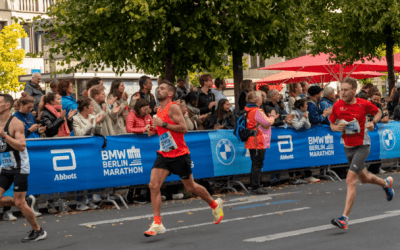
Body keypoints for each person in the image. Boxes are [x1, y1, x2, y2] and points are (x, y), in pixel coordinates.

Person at [143, 80, 223, 237]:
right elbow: (164, 130)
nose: (158, 90)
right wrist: (153, 129)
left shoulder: (173, 107)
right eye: (158, 88)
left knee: (191, 187)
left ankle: (214, 204)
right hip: (164, 154)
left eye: (162, 88)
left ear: (170, 93)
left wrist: (163, 124)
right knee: (153, 185)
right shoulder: (159, 109)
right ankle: (157, 223)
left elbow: (183, 128)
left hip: (179, 154)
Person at [329, 77, 394, 230]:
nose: (342, 93)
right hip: (348, 146)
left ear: (354, 91)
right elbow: (331, 123)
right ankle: (386, 184)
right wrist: (336, 128)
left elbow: (378, 112)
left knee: (350, 178)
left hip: (362, 145)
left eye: (345, 90)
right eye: (341, 90)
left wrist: (373, 122)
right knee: (364, 178)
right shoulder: (337, 106)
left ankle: (344, 218)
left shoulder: (363, 104)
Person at [0, 94, 47, 242]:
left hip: (20, 165)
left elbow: (21, 145)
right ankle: (26, 201)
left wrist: (4, 136)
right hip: (6, 166)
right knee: (18, 201)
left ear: (7, 105)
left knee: (19, 203)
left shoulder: (16, 123)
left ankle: (38, 230)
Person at [244, 91, 276, 194]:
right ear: (257, 100)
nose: (263, 99)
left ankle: (254, 185)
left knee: (255, 163)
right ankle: (256, 186)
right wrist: (272, 117)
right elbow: (267, 122)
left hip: (253, 140)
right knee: (258, 164)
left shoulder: (250, 110)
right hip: (258, 141)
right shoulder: (257, 111)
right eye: (261, 97)